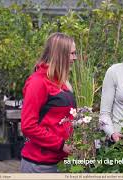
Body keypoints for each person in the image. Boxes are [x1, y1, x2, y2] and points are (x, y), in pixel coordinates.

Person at [20, 32, 77, 173]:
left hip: (61, 162)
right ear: (60, 55)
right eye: (72, 54)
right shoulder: (38, 82)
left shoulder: (61, 82)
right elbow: (28, 126)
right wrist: (60, 144)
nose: (75, 58)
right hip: (40, 164)